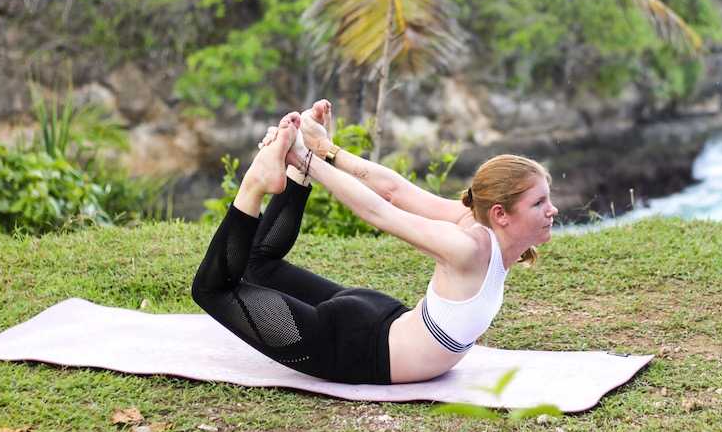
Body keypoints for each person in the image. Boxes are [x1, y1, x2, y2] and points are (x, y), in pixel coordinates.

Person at [191, 100, 559, 385]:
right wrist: (306, 159)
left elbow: (396, 190)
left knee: (259, 266)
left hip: (376, 322)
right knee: (210, 289)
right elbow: (381, 211)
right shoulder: (471, 249)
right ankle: (257, 182)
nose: (552, 210)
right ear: (500, 214)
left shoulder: (474, 223)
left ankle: (289, 174)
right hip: (354, 345)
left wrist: (325, 150)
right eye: (539, 203)